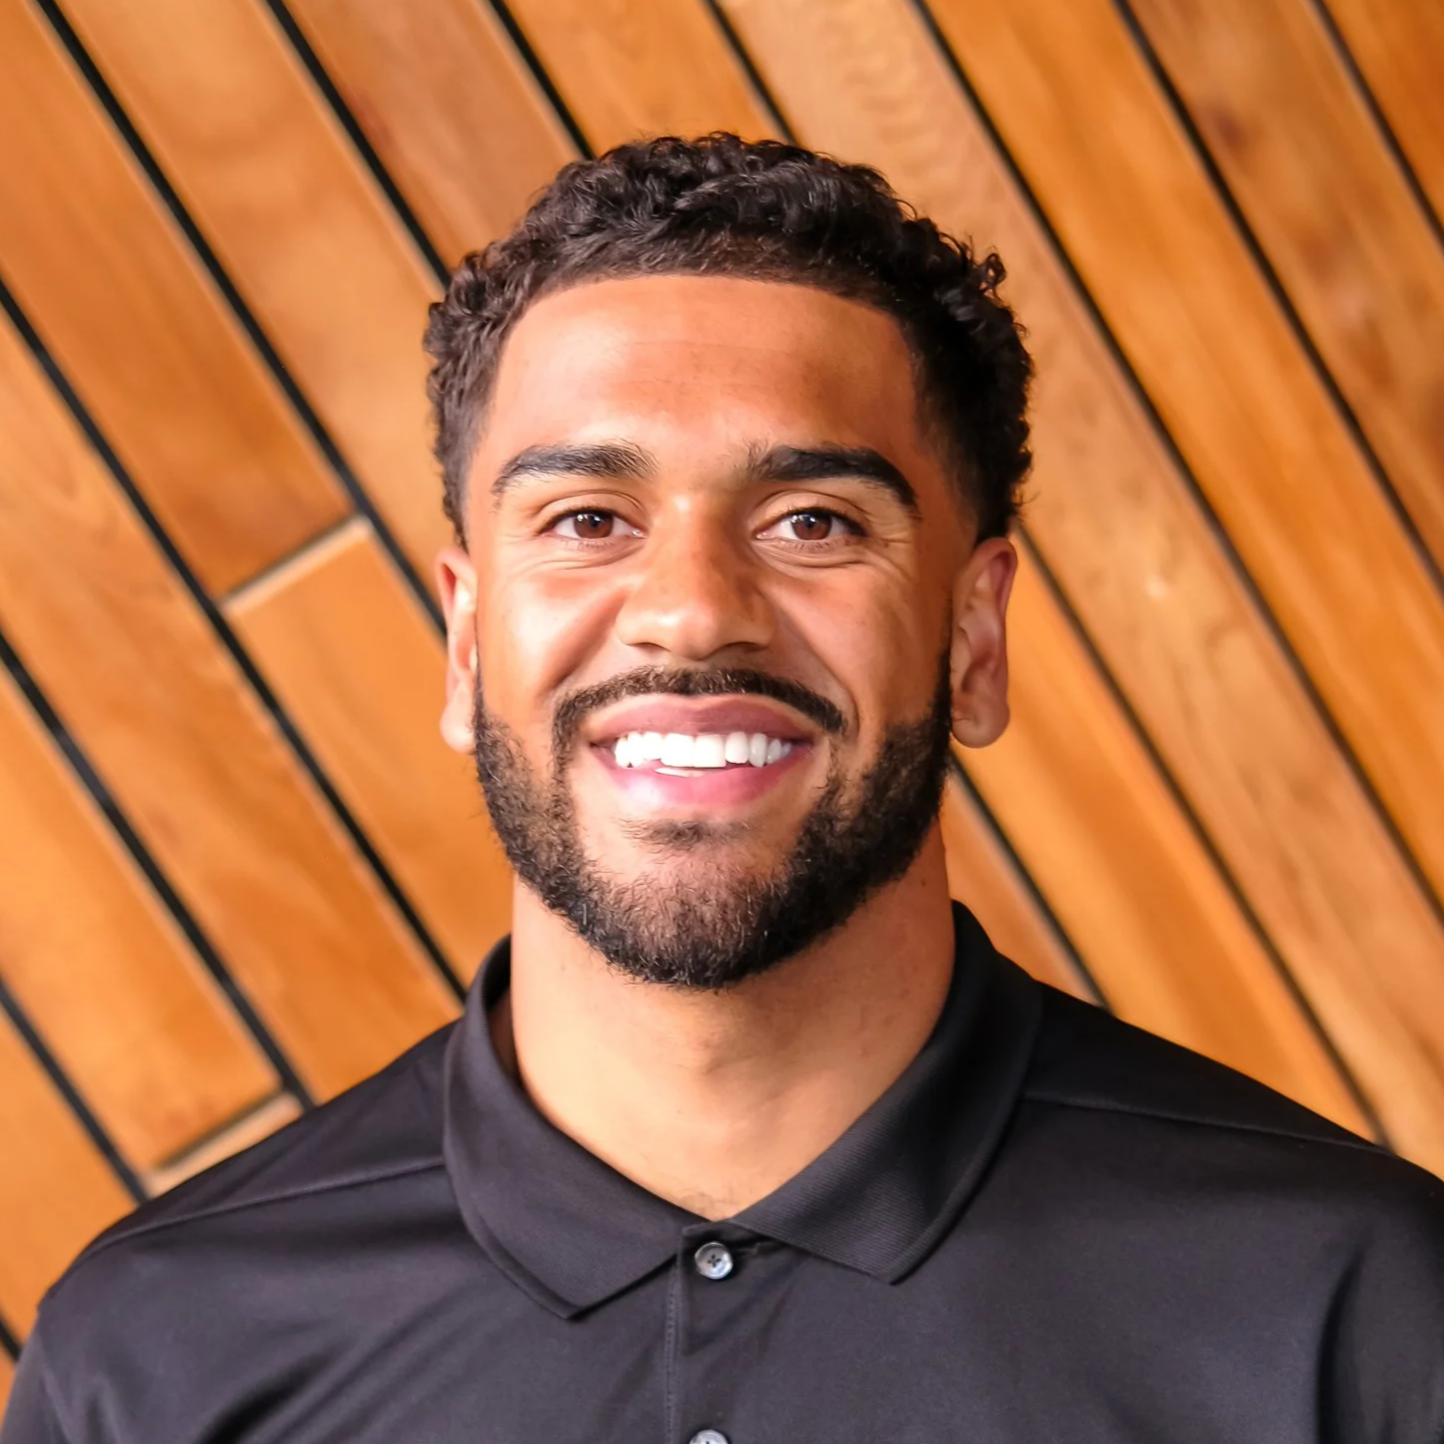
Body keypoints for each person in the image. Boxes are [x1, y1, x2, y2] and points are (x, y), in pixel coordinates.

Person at [6, 132, 1442, 1444]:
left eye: (813, 521)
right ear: (463, 638)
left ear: (974, 635)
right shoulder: (159, 1363)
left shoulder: (1359, 1314)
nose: (692, 613)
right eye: (587, 520)